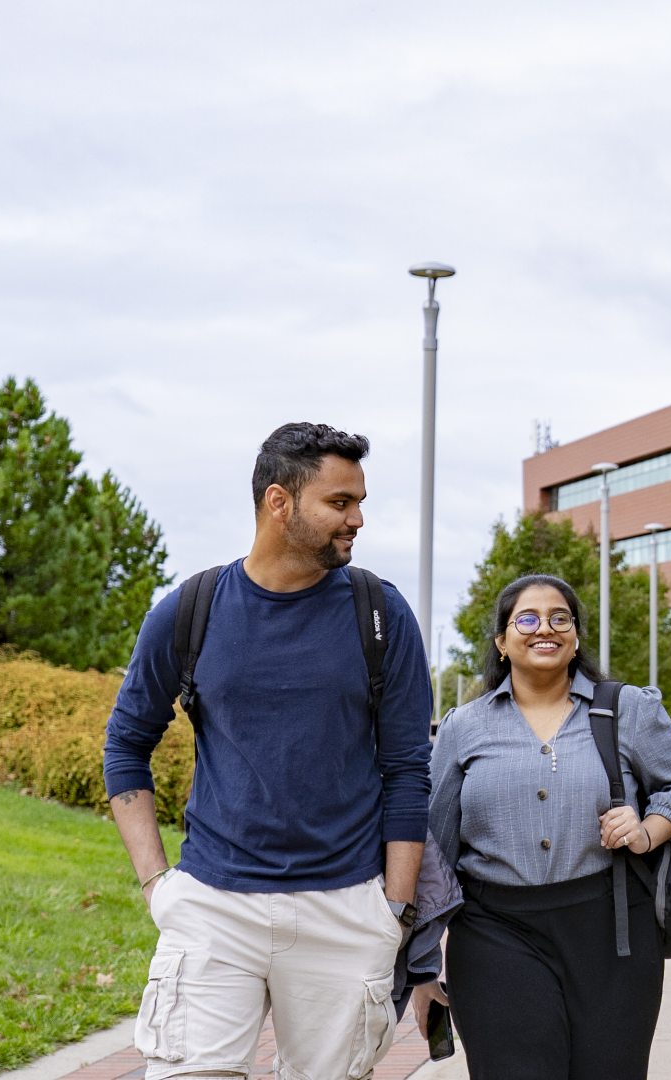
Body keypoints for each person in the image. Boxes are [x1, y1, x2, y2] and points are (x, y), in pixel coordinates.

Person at [102, 422, 432, 1079]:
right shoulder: (191, 609)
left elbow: (407, 771)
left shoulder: (380, 614)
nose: (358, 519)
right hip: (213, 907)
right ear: (278, 503)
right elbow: (126, 744)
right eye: (340, 503)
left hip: (345, 908)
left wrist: (391, 911)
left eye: (360, 502)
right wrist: (156, 885)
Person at [416, 573, 671, 1079]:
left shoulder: (626, 709)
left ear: (575, 637)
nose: (544, 629)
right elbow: (435, 850)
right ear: (502, 642)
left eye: (559, 618)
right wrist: (421, 964)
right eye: (526, 619)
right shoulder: (464, 726)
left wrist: (649, 826)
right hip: (494, 932)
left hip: (612, 931)